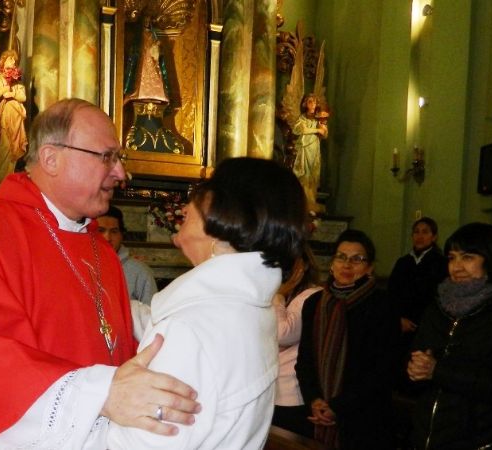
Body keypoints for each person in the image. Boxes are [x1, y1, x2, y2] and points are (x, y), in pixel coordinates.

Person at [0, 98, 201, 449]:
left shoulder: (100, 251)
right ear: (51, 158)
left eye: (119, 159)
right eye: (106, 157)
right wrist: (103, 394)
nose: (121, 173)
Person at [103, 157, 308, 449]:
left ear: (229, 216)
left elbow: (141, 443)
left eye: (207, 189)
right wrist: (106, 298)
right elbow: (176, 330)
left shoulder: (191, 329)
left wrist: (100, 398)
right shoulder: (244, 307)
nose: (189, 202)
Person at [408, 223, 492, 449]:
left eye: (467, 257)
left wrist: (437, 370)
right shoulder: (439, 306)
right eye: (451, 258)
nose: (456, 267)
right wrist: (413, 369)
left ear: (490, 259)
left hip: (481, 438)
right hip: (430, 435)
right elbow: (418, 358)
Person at [295, 229, 399, 450]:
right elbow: (305, 360)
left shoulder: (382, 305)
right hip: (318, 413)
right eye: (341, 257)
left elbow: (383, 369)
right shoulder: (314, 303)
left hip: (365, 418)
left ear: (370, 267)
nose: (347, 265)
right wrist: (314, 400)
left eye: (357, 259)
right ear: (332, 263)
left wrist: (337, 407)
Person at [387, 217, 447, 392]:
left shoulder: (441, 263)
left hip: (426, 326)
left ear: (434, 237)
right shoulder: (403, 262)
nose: (420, 236)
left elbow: (438, 297)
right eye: (416, 232)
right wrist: (398, 318)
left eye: (425, 232)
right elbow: (392, 294)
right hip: (401, 325)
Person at [271, 246, 322, 438]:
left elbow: (283, 334)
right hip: (273, 389)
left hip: (292, 392)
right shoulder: (284, 295)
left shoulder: (311, 295)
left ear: (306, 265)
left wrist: (279, 295)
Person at [0, 49, 29, 192]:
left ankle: (8, 176)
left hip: (16, 122)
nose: (12, 63)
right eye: (10, 60)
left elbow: (23, 97)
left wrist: (12, 92)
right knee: (4, 146)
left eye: (14, 62)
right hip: (1, 121)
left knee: (13, 148)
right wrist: (5, 87)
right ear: (3, 61)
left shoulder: (17, 82)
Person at [96, 205, 158, 306]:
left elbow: (151, 315)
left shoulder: (140, 272)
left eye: (114, 231)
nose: (107, 238)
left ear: (122, 235)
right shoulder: (79, 266)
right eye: (100, 231)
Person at [291, 93, 328, 213]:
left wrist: (323, 126)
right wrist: (317, 130)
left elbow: (325, 134)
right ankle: (304, 201)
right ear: (305, 104)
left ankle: (311, 201)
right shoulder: (302, 118)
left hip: (314, 149)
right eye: (309, 101)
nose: (312, 104)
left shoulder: (319, 119)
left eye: (314, 102)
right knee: (303, 174)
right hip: (304, 149)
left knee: (313, 175)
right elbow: (299, 129)